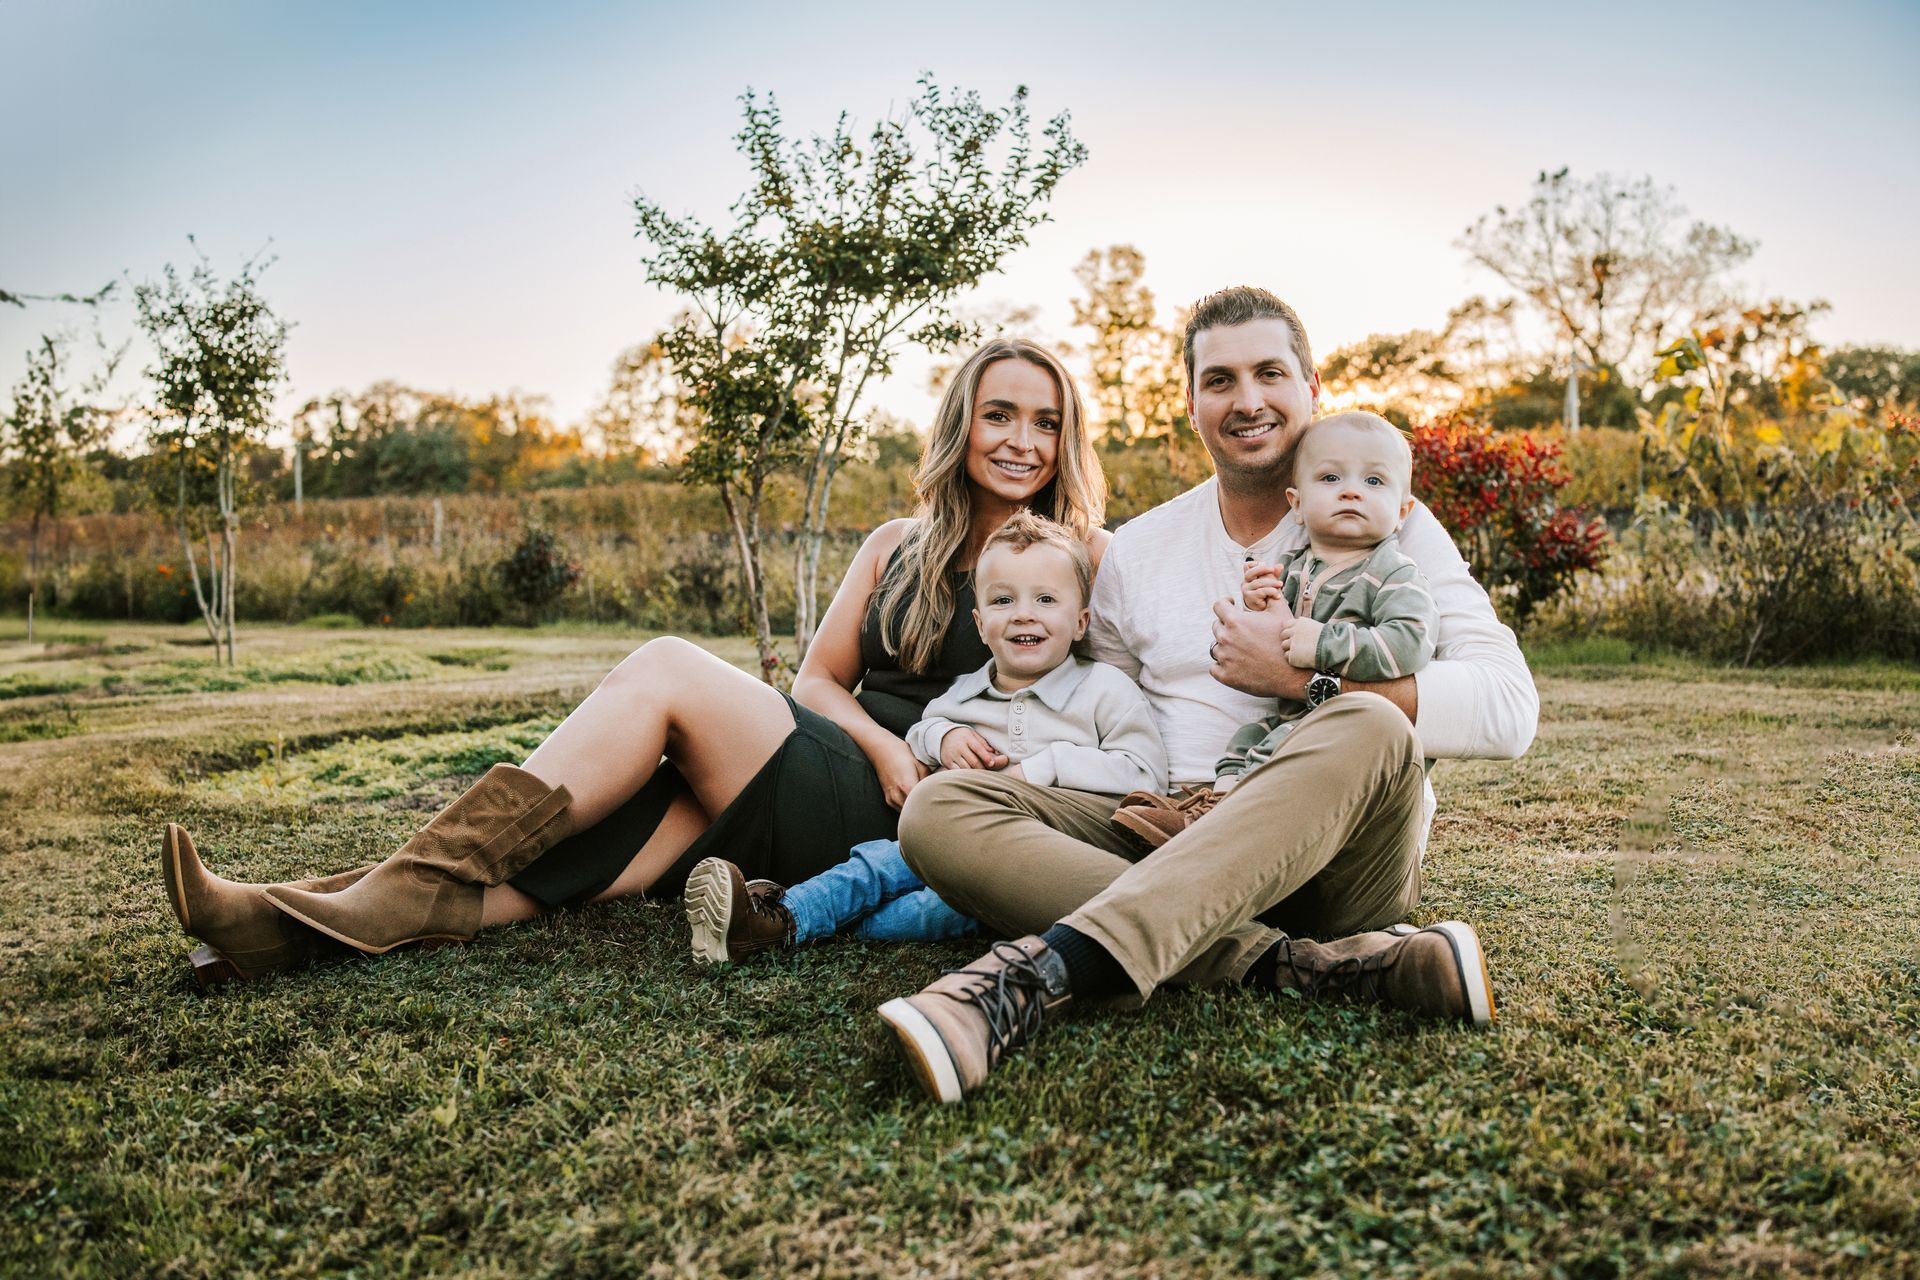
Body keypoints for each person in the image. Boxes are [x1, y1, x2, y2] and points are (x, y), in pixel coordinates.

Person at [159, 338, 1109, 984]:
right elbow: (818, 682)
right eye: (999, 415)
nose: (1022, 441)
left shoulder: (1090, 556)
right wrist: (884, 745)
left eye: (1045, 422)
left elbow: (1119, 701)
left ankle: (364, 897)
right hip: (861, 764)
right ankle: (285, 926)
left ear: (1067, 439)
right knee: (606, 850)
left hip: (922, 821)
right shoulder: (896, 543)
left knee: (665, 668)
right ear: (961, 423)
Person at [876, 288, 1539, 1104]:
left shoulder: (1385, 522)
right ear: (1191, 404)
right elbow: (1097, 703)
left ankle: (1049, 971)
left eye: (1270, 373)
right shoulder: (1141, 548)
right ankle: (1299, 967)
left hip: (1331, 855)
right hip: (1163, 823)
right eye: (1220, 380)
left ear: (1311, 387)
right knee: (939, 810)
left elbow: (1509, 708)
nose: (1247, 400)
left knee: (1368, 719)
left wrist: (1302, 680)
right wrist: (973, 743)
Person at [683, 510, 1167, 963]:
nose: (1023, 614)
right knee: (880, 863)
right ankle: (778, 921)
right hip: (954, 843)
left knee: (933, 910)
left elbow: (1145, 775)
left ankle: (799, 919)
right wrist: (945, 737)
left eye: (1046, 599)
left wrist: (1042, 768)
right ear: (981, 625)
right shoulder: (968, 692)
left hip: (1044, 851)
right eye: (1003, 600)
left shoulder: (1104, 690)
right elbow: (923, 730)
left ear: (1081, 621)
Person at [1109, 409, 1435, 849]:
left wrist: (1321, 643)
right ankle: (1215, 807)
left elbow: (1409, 643)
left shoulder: (1393, 572)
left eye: (1373, 481)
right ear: (1297, 504)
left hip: (1349, 732)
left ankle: (1214, 833)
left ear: (1402, 512)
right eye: (1331, 479)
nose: (1352, 491)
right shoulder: (1298, 566)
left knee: (1276, 747)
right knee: (1246, 740)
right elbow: (1273, 636)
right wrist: (1259, 603)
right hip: (1293, 714)